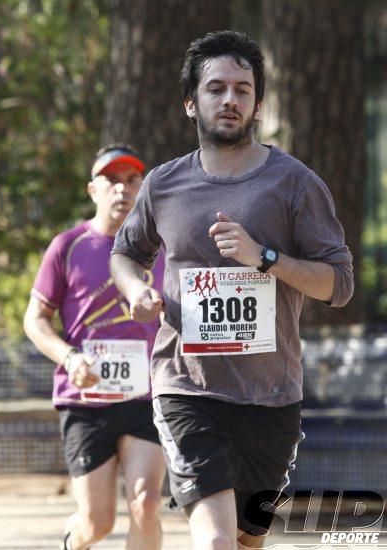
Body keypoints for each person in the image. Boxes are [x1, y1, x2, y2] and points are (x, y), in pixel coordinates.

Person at [110, 30, 353, 550]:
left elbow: (339, 284)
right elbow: (126, 254)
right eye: (216, 88)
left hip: (270, 396)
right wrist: (135, 290)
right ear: (191, 103)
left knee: (246, 541)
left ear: (258, 104)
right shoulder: (163, 184)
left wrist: (264, 258)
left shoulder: (294, 184)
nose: (230, 99)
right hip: (186, 387)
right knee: (216, 541)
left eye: (243, 90)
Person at [23, 144, 165, 550]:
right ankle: (74, 539)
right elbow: (34, 319)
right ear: (92, 190)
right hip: (86, 399)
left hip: (147, 395)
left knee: (147, 503)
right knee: (97, 523)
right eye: (111, 180)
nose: (122, 189)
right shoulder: (67, 246)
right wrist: (69, 357)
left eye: (131, 180)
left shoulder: (162, 250)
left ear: (143, 188)